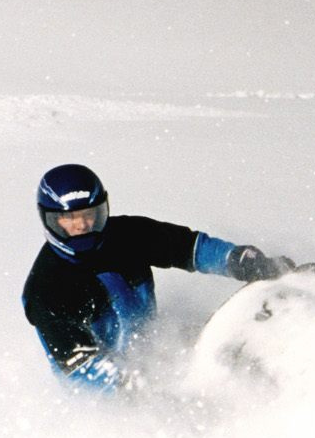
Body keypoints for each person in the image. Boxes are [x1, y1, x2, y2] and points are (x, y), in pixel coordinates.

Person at [21, 163, 297, 389]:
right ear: (51, 221)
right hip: (105, 397)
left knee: (231, 350)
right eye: (70, 219)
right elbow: (81, 368)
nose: (83, 225)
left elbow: (189, 248)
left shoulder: (128, 235)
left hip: (154, 351)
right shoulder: (47, 288)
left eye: (91, 214)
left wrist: (238, 261)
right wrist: (136, 392)